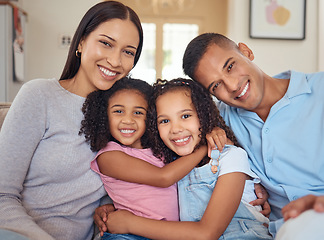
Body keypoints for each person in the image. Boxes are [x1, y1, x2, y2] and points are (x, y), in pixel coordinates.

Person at [0, 1, 143, 240]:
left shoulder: (123, 117)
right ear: (81, 42)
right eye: (106, 43)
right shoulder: (39, 95)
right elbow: (2, 195)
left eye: (128, 52)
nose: (116, 61)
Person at [182, 32, 324, 238]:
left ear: (246, 51)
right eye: (216, 85)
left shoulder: (319, 90)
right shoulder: (220, 119)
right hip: (276, 230)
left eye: (230, 66)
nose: (231, 86)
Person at [105, 78, 272, 240]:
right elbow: (153, 197)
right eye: (164, 121)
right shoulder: (174, 164)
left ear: (204, 116)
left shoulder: (231, 156)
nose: (175, 129)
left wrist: (131, 224)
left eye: (185, 116)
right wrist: (110, 209)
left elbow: (206, 234)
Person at [80, 77, 208, 240]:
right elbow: (163, 178)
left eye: (138, 112)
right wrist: (204, 146)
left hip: (167, 232)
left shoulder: (162, 150)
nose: (128, 120)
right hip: (129, 235)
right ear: (104, 116)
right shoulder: (109, 155)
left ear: (151, 118)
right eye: (118, 111)